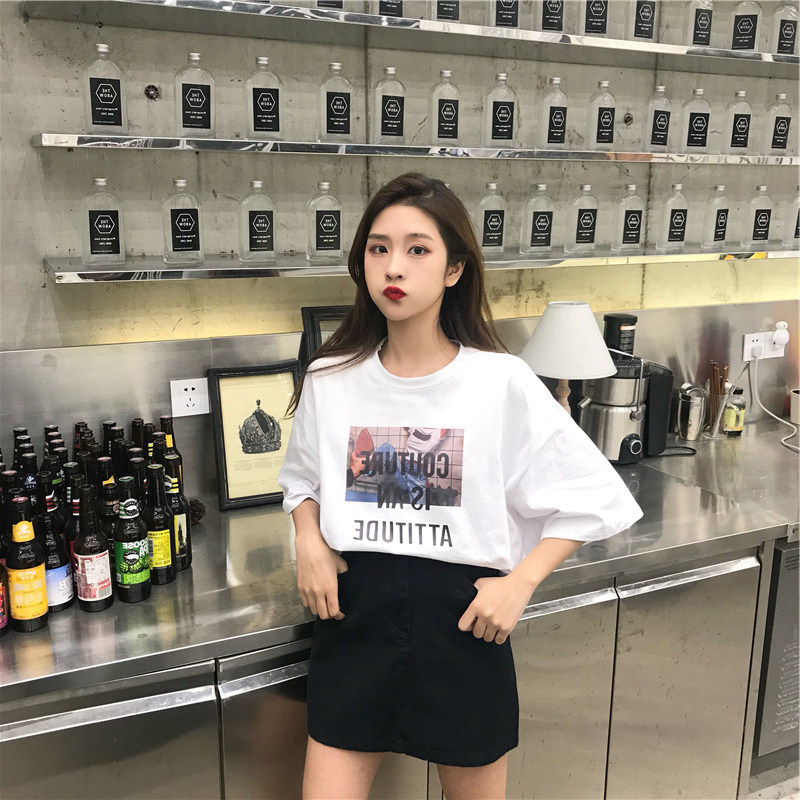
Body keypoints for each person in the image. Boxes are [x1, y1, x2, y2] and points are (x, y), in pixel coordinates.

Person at [277, 172, 644, 800]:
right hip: (354, 619)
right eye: (378, 248)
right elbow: (302, 478)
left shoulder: (500, 381)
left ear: (454, 269)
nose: (394, 266)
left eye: (418, 249)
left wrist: (520, 584)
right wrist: (307, 538)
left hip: (463, 626)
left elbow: (593, 499)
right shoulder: (330, 377)